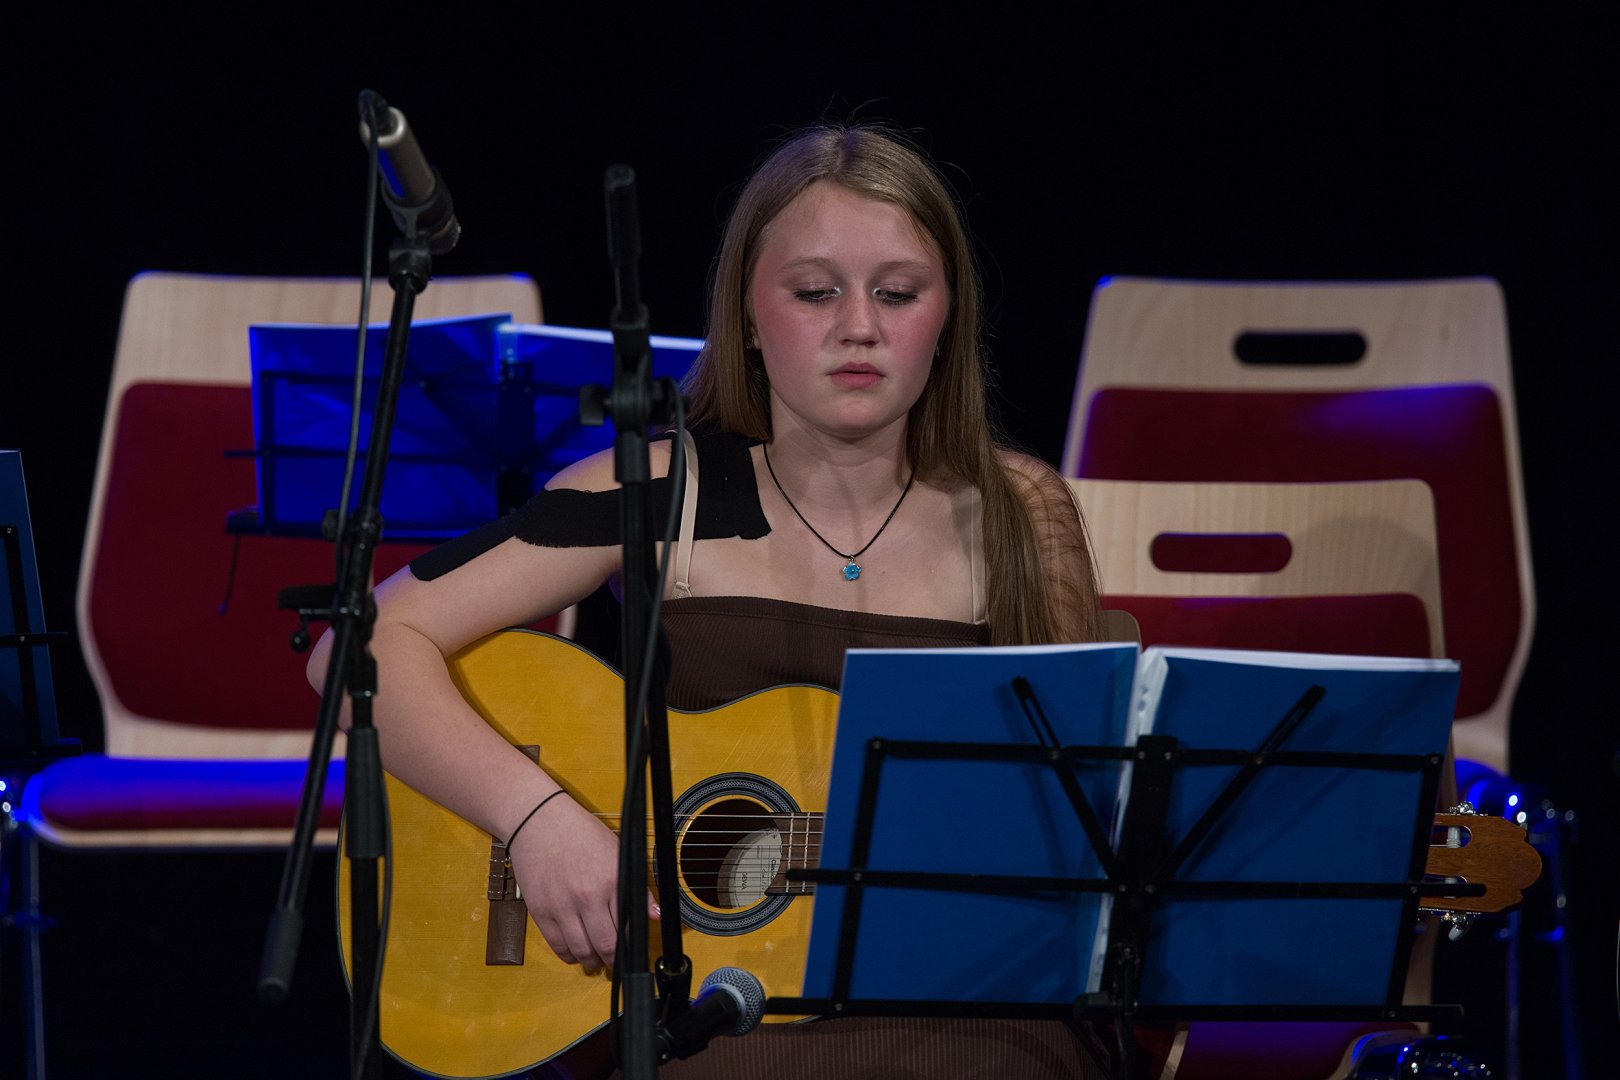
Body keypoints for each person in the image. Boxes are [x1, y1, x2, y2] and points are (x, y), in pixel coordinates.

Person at [311, 123, 1112, 1078]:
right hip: (713, 1001)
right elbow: (355, 648)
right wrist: (535, 818)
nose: (859, 326)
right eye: (814, 292)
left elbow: (1082, 801)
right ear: (747, 317)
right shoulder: (660, 492)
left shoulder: (1021, 510)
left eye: (898, 293)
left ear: (947, 318)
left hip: (958, 993)